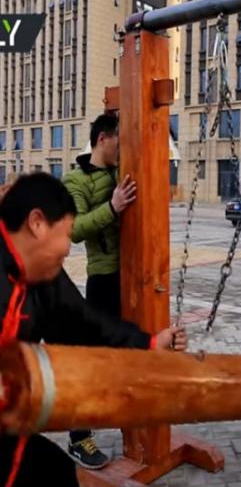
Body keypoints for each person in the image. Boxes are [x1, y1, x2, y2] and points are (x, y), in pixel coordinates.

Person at [0, 173, 187, 486]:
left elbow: (85, 321)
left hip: (10, 430)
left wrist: (151, 342)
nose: (68, 248)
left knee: (55, 472)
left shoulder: (40, 273)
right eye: (66, 233)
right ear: (36, 223)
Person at [62, 113, 136, 468]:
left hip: (136, 277)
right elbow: (74, 229)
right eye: (119, 140)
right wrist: (112, 206)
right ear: (104, 138)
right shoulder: (75, 179)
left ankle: (131, 421)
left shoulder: (123, 169)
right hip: (104, 279)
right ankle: (79, 438)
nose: (123, 146)